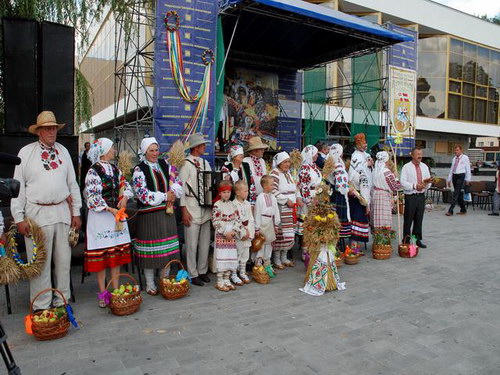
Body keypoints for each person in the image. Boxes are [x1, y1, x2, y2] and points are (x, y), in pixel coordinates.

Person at [11, 111, 82, 311]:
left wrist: (76, 211)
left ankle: (62, 301)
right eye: (47, 128)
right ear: (39, 131)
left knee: (63, 262)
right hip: (36, 215)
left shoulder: (63, 152)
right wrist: (18, 217)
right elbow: (18, 188)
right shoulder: (26, 153)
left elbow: (72, 184)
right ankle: (41, 305)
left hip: (61, 212)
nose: (52, 132)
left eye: (54, 128)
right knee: (39, 264)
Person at [84, 138, 133, 307]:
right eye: (112, 148)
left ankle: (116, 289)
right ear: (104, 151)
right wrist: (111, 209)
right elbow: (92, 197)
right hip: (101, 217)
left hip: (116, 216)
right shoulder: (93, 171)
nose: (114, 151)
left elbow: (125, 186)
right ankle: (103, 292)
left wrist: (125, 199)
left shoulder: (115, 169)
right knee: (102, 257)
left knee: (116, 255)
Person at [131, 137, 183, 295]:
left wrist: (174, 190)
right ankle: (150, 284)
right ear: (145, 152)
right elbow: (142, 195)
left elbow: (178, 183)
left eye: (156, 150)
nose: (155, 153)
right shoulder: (139, 170)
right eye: (151, 150)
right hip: (149, 216)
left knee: (166, 252)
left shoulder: (165, 165)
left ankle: (164, 280)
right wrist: (165, 196)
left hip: (166, 214)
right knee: (151, 253)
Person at [179, 133, 212, 286]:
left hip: (206, 209)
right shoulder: (185, 164)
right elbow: (181, 188)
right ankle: (192, 273)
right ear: (196, 147)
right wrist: (184, 210)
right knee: (191, 244)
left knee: (205, 242)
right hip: (191, 207)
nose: (205, 147)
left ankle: (202, 270)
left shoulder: (206, 163)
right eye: (203, 145)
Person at [270, 151, 303, 269]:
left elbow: (295, 188)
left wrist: (298, 197)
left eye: (289, 161)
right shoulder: (275, 173)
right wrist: (285, 200)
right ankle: (277, 259)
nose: (288, 164)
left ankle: (284, 257)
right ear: (279, 163)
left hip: (291, 209)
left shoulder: (289, 174)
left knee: (289, 234)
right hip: (281, 208)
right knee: (281, 234)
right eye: (285, 162)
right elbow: (272, 190)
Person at [212, 181, 242, 292]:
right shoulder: (217, 205)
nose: (226, 194)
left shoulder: (233, 204)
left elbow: (238, 220)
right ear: (220, 193)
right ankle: (220, 280)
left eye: (228, 192)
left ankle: (227, 279)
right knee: (222, 257)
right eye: (224, 192)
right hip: (222, 235)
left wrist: (234, 231)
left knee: (230, 256)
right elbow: (216, 221)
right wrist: (225, 232)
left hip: (231, 235)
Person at [400, 147, 432, 248]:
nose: (420, 156)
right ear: (412, 155)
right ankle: (406, 239)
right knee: (408, 219)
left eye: (421, 154)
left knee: (419, 219)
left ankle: (417, 239)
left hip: (421, 196)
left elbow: (429, 181)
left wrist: (426, 185)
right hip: (411, 196)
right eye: (417, 154)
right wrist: (415, 186)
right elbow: (403, 182)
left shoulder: (424, 167)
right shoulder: (406, 167)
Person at [348, 134, 372, 254]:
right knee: (356, 219)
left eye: (366, 142)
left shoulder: (365, 154)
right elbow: (355, 173)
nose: (365, 145)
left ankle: (356, 246)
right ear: (358, 144)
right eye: (363, 143)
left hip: (364, 191)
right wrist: (366, 165)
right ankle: (353, 247)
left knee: (361, 219)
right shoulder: (356, 155)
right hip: (357, 192)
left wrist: (369, 164)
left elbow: (366, 172)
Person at [297, 145, 322, 259]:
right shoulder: (305, 168)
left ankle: (313, 248)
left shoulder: (313, 166)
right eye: (315, 153)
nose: (317, 155)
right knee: (307, 226)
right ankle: (305, 252)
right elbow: (304, 186)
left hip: (316, 197)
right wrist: (308, 200)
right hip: (309, 199)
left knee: (314, 224)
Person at [254, 175, 281, 277]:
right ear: (265, 186)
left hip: (270, 222)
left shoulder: (272, 197)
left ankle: (267, 264)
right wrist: (257, 227)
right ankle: (258, 264)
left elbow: (276, 211)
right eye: (271, 184)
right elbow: (257, 212)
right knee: (261, 244)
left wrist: (276, 224)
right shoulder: (260, 198)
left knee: (269, 244)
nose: (273, 186)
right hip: (262, 222)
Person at [371, 151, 402, 230]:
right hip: (383, 197)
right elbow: (396, 187)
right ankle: (383, 240)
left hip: (375, 195)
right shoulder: (386, 172)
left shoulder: (375, 171)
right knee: (384, 219)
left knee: (377, 218)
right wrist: (396, 177)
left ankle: (377, 239)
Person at [232, 180, 255, 284]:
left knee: (245, 255)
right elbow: (235, 221)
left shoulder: (248, 204)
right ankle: (233, 274)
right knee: (237, 254)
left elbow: (251, 219)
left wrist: (250, 232)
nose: (247, 193)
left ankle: (242, 272)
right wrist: (241, 233)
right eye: (245, 191)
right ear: (237, 192)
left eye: (247, 191)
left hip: (247, 233)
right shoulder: (233, 205)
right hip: (239, 235)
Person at [327, 144, 352, 240]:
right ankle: (337, 243)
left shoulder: (330, 161)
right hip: (338, 195)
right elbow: (341, 186)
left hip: (331, 193)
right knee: (338, 219)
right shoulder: (338, 165)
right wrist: (348, 189)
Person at [446, 145, 471, 216]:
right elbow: (451, 169)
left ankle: (450, 210)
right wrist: (449, 179)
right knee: (459, 194)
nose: (456, 151)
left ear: (461, 150)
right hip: (455, 175)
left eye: (457, 150)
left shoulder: (465, 157)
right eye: (455, 150)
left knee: (456, 193)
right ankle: (463, 209)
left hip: (461, 175)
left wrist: (467, 179)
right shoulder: (454, 158)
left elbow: (468, 168)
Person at [243, 137, 268, 205]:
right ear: (254, 150)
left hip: (262, 196)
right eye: (261, 149)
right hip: (250, 197)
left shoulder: (262, 161)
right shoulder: (246, 161)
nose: (263, 151)